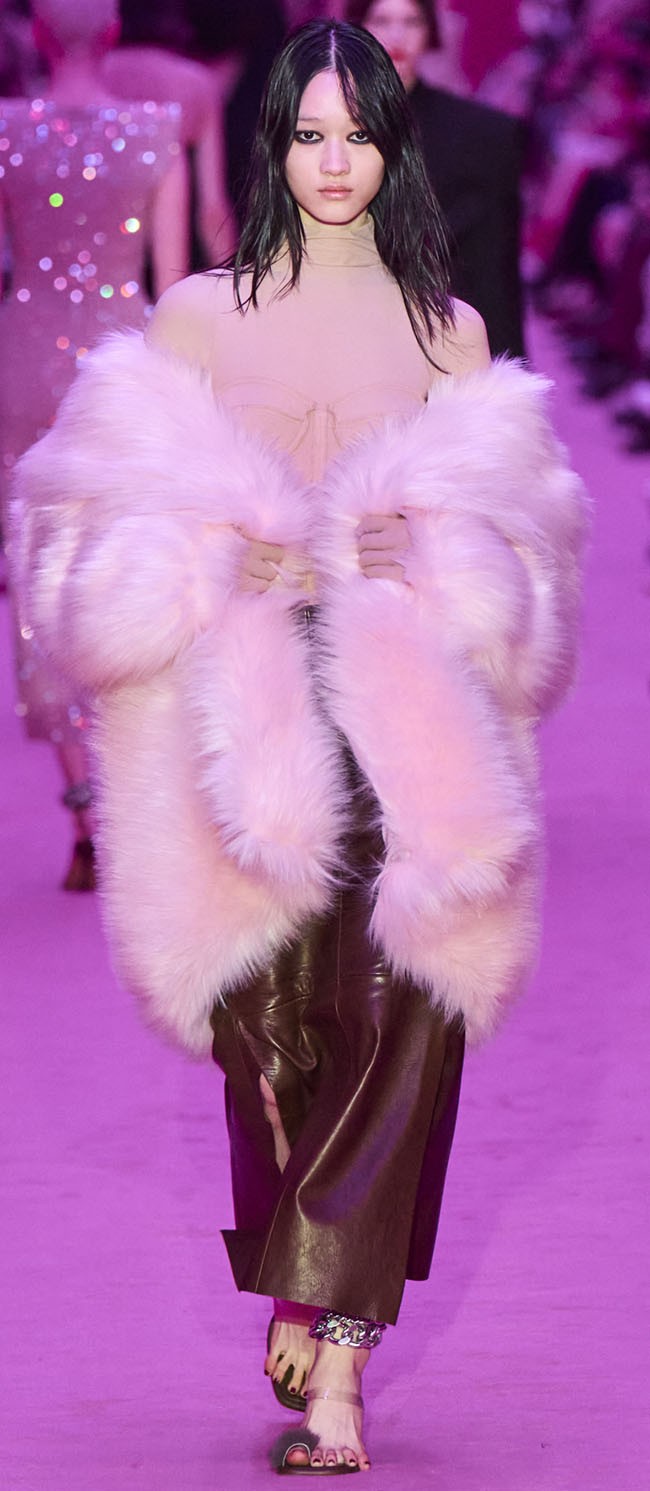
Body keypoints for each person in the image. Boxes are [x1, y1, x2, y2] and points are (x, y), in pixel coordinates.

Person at [13, 19, 587, 1474]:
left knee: (399, 1015)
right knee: (265, 1038)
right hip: (238, 717)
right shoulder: (198, 317)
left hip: (411, 722)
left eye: (359, 134)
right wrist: (210, 560)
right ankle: (300, 1255)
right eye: (310, 134)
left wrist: (442, 557)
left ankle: (338, 1360)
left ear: (393, 145)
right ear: (273, 144)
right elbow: (78, 534)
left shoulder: (448, 330)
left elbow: (535, 570)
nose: (334, 163)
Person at [0, 0, 188, 888]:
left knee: (39, 561)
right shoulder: (156, 133)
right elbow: (176, 280)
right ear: (112, 35)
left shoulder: (7, 131)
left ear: (37, 34)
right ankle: (131, 784)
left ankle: (84, 807)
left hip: (26, 357)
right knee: (128, 566)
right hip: (122, 355)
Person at [347, 0, 527, 358]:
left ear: (430, 31)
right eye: (382, 20)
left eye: (411, 22)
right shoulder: (319, 127)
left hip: (443, 332)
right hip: (346, 324)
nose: (397, 36)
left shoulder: (483, 137)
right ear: (358, 29)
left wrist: (508, 366)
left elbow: (494, 271)